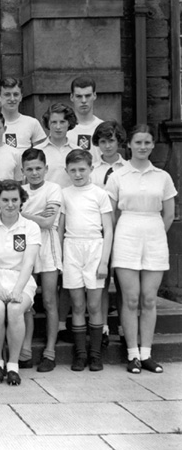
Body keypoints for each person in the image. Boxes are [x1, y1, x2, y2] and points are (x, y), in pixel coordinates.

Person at [106, 125, 177, 374]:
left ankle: (146, 353)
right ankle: (132, 353)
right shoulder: (118, 176)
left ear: (152, 145)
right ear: (129, 145)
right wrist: (124, 234)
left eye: (147, 143)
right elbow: (111, 214)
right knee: (131, 297)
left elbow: (169, 214)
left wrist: (153, 232)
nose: (143, 147)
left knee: (148, 298)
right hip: (126, 234)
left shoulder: (162, 176)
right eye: (138, 142)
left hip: (155, 236)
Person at [0, 180, 41, 386]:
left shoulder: (30, 227)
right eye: (5, 200)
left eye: (14, 199)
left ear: (21, 200)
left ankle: (13, 365)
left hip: (21, 280)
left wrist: (17, 290)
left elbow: (29, 263)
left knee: (15, 310)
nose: (10, 204)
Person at [59, 149, 113, 372]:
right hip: (72, 248)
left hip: (94, 248)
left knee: (93, 304)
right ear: (67, 171)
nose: (78, 174)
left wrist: (103, 261)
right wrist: (62, 259)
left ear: (91, 169)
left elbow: (108, 230)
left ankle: (96, 354)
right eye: (73, 170)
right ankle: (80, 355)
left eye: (82, 169)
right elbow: (60, 229)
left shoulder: (100, 194)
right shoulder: (64, 193)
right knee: (78, 305)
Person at [20, 148, 63, 372]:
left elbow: (47, 223)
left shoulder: (53, 188)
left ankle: (50, 351)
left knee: (48, 300)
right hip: (25, 246)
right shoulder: (20, 190)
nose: (34, 173)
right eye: (30, 169)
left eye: (38, 168)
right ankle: (25, 349)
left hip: (47, 245)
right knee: (26, 299)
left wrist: (21, 215)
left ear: (46, 169)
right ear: (23, 170)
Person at [91, 120, 128, 347]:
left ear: (119, 141)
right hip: (98, 232)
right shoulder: (93, 170)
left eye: (111, 141)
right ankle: (102, 326)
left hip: (123, 231)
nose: (107, 146)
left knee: (124, 282)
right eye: (102, 141)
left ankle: (125, 328)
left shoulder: (128, 169)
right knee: (101, 281)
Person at [0, 78, 46, 150]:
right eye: (7, 94)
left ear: (21, 97)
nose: (12, 99)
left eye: (16, 94)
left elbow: (41, 155)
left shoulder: (32, 123)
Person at [37, 103, 79, 189]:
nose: (58, 127)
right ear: (48, 124)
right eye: (54, 122)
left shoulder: (78, 151)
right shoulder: (37, 151)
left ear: (69, 123)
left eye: (62, 122)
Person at [67, 76, 104, 156]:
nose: (83, 100)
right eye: (79, 96)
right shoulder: (63, 128)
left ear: (94, 96)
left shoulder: (103, 127)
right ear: (71, 97)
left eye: (87, 96)